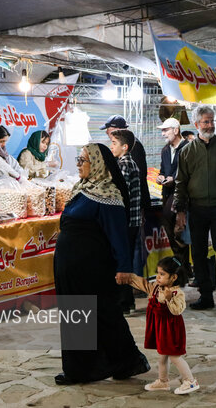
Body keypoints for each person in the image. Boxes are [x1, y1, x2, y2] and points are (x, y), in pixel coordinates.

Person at [53, 143, 150, 385]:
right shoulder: (83, 189)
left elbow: (119, 235)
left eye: (83, 160)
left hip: (92, 268)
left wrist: (124, 267)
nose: (78, 164)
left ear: (98, 164)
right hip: (73, 268)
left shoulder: (108, 195)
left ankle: (97, 367)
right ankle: (105, 364)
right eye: (79, 159)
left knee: (103, 314)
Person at [173, 105, 216, 310]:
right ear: (196, 124)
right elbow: (180, 182)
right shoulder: (187, 151)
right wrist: (180, 210)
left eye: (212, 121)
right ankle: (206, 295)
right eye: (206, 122)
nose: (210, 125)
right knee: (199, 253)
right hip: (198, 209)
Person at [121, 256, 200, 395]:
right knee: (162, 356)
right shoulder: (157, 288)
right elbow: (144, 284)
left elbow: (178, 310)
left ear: (174, 277)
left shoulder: (177, 293)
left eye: (162, 274)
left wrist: (169, 299)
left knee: (175, 356)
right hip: (161, 329)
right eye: (157, 273)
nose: (158, 277)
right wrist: (130, 278)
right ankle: (163, 381)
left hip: (172, 330)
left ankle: (190, 381)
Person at [109, 129, 141, 314]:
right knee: (125, 260)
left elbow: (121, 195)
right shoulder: (128, 163)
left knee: (122, 261)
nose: (111, 146)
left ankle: (123, 302)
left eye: (114, 143)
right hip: (132, 221)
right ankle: (127, 300)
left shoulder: (124, 164)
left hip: (127, 221)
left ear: (124, 147)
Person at [157, 118, 190, 276]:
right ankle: (183, 269)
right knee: (173, 235)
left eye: (166, 130)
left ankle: (184, 270)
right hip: (167, 195)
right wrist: (161, 176)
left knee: (180, 234)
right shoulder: (164, 150)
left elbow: (190, 173)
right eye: (162, 130)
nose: (163, 133)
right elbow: (163, 170)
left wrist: (174, 179)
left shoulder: (188, 148)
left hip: (182, 197)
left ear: (176, 130)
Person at [101, 115, 151, 210]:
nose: (106, 132)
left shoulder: (134, 146)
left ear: (119, 129)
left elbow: (139, 176)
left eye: (109, 130)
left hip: (135, 202)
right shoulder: (120, 147)